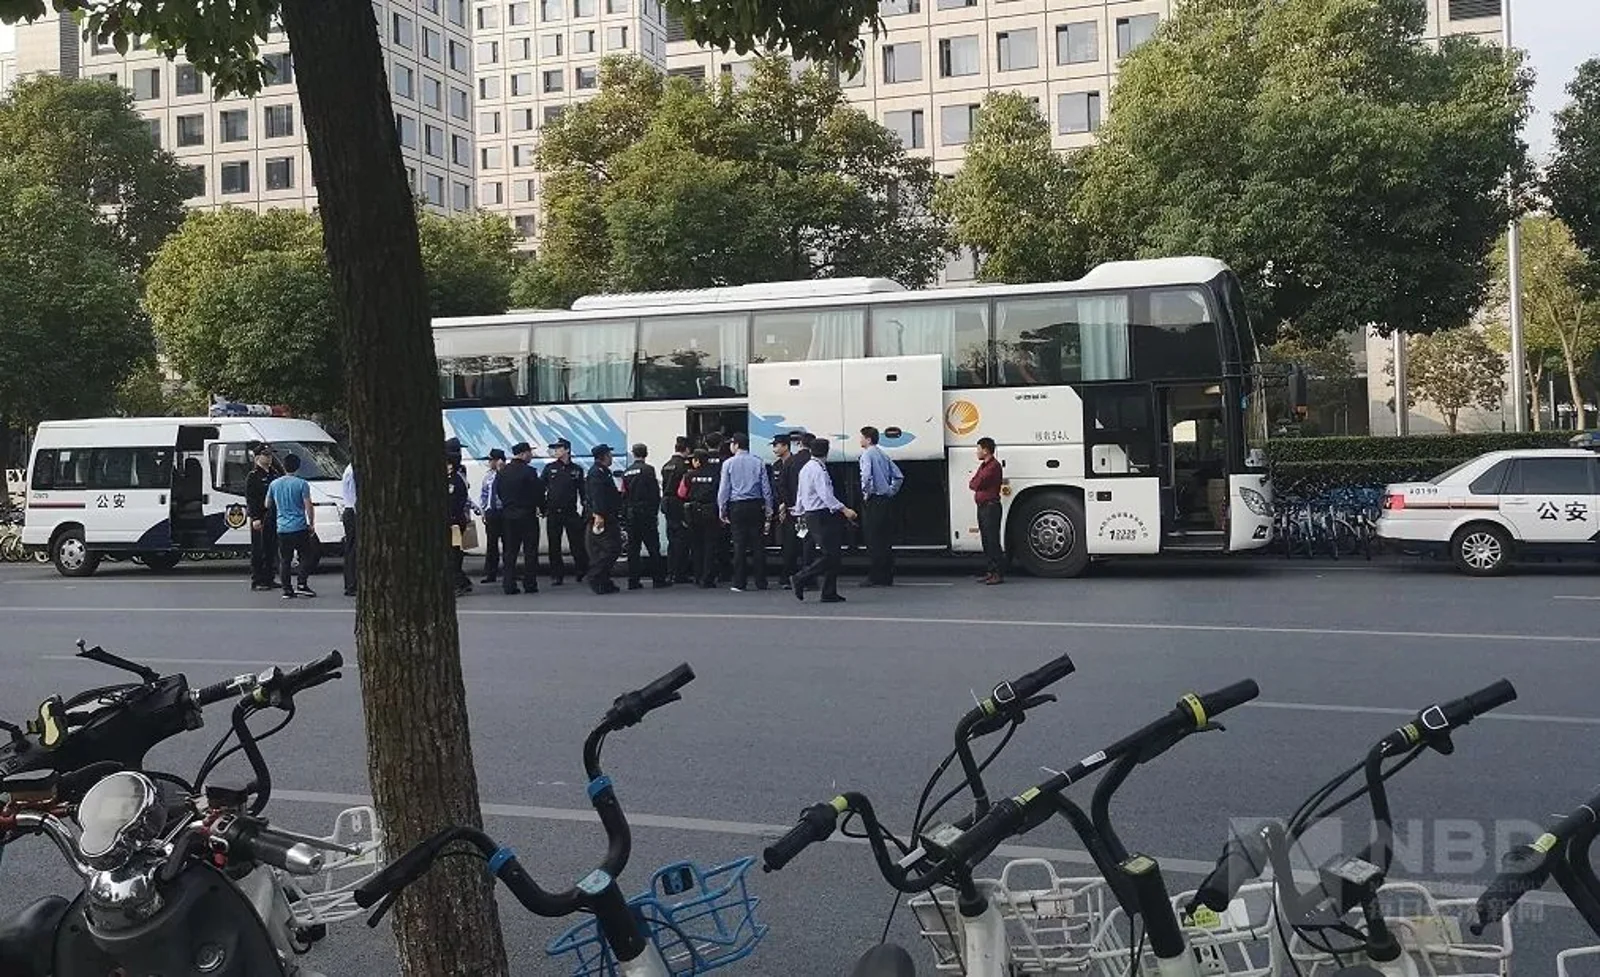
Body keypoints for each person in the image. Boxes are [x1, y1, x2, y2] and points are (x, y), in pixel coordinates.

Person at [790, 439, 855, 603]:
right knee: (831, 555)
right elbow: (825, 494)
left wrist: (799, 510)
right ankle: (801, 577)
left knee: (832, 554)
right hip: (822, 514)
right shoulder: (818, 470)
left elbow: (800, 492)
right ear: (827, 451)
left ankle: (829, 591)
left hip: (811, 513)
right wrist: (844, 509)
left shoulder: (806, 468)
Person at [717, 433, 774, 592]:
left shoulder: (728, 464)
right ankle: (761, 582)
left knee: (739, 545)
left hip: (737, 506)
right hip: (755, 505)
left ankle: (739, 582)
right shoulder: (758, 462)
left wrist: (722, 509)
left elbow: (724, 489)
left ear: (736, 445)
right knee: (758, 545)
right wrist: (769, 507)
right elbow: (766, 488)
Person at [857, 425, 904, 588]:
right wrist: (890, 491)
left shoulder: (866, 455)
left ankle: (875, 576)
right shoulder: (883, 454)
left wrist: (866, 493)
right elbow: (898, 476)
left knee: (873, 540)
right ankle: (887, 575)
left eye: (862, 437)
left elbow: (866, 476)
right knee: (885, 539)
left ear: (868, 439)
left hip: (874, 501)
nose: (860, 440)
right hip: (885, 500)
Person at [494, 442, 543, 595]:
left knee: (509, 551)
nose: (531, 456)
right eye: (530, 453)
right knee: (530, 551)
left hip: (508, 516)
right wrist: (542, 508)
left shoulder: (503, 472)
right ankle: (530, 583)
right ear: (523, 454)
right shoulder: (529, 472)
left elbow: (498, 491)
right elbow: (538, 493)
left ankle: (509, 584)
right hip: (527, 515)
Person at [266, 453, 316, 600]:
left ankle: (287, 589)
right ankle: (301, 583)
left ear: (284, 466)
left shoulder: (274, 484)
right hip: (299, 526)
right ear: (298, 467)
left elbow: (267, 504)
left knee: (285, 560)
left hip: (282, 527)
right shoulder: (302, 484)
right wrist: (311, 523)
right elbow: (308, 505)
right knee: (306, 555)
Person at [542, 438, 589, 585]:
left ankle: (582, 571)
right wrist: (543, 507)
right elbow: (541, 488)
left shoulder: (576, 469)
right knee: (554, 545)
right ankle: (557, 575)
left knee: (577, 544)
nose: (556, 451)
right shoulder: (549, 468)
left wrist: (586, 508)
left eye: (559, 448)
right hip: (553, 512)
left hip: (570, 512)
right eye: (555, 448)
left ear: (567, 450)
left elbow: (582, 491)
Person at [621, 443, 667, 590]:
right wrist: (654, 511)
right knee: (653, 547)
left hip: (631, 514)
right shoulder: (648, 470)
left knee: (633, 549)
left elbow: (624, 494)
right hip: (646, 513)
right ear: (646, 454)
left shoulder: (626, 472)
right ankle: (658, 579)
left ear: (633, 454)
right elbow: (654, 492)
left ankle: (633, 581)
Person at [585, 444, 623, 595]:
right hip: (602, 517)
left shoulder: (603, 471)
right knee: (609, 549)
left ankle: (604, 581)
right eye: (609, 455)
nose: (611, 457)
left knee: (611, 548)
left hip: (608, 516)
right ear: (604, 456)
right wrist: (599, 515)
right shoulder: (597, 473)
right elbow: (597, 495)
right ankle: (596, 577)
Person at [681, 449, 720, 589]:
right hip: (710, 511)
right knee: (710, 545)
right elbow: (720, 492)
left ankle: (698, 576)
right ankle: (708, 578)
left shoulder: (688, 475)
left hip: (693, 512)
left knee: (696, 545)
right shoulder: (715, 474)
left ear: (697, 461)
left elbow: (681, 493)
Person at [769, 434, 803, 588]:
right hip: (781, 509)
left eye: (776, 446)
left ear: (785, 446)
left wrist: (789, 504)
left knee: (797, 542)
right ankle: (787, 576)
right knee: (786, 543)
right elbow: (774, 488)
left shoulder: (795, 463)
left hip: (795, 508)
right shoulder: (776, 465)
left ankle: (795, 575)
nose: (774, 449)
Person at [971, 437, 1005, 585]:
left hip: (991, 507)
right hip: (983, 507)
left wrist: (976, 483)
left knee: (992, 540)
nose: (977, 452)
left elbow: (977, 483)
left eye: (978, 449)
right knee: (986, 540)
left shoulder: (993, 466)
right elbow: (973, 482)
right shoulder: (984, 466)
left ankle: (997, 573)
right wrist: (975, 483)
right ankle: (990, 571)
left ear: (985, 450)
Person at [245, 444, 279, 592]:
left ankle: (269, 577)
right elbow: (251, 498)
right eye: (266, 455)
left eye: (270, 455)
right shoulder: (253, 476)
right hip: (260, 516)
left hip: (273, 515)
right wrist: (255, 517)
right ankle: (257, 580)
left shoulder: (274, 473)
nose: (269, 458)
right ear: (258, 457)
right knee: (259, 549)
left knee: (271, 548)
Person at [659, 437, 692, 585]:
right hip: (678, 503)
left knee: (672, 539)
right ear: (687, 449)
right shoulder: (684, 466)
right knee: (682, 539)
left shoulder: (666, 465)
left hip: (667, 502)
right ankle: (680, 573)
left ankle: (671, 571)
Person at [478, 448, 507, 584]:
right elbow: (484, 494)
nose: (489, 463)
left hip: (504, 512)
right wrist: (484, 510)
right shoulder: (488, 476)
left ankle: (509, 572)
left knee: (508, 544)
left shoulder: (507, 474)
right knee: (492, 544)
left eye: (491, 460)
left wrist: (501, 471)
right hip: (492, 513)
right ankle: (491, 573)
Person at [448, 457, 473, 596]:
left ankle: (459, 582)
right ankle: (462, 580)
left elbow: (456, 501)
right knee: (453, 552)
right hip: (454, 522)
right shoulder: (453, 478)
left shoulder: (456, 479)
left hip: (455, 523)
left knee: (455, 553)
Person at [340, 459, 358, 598]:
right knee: (353, 549)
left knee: (351, 548)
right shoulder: (353, 471)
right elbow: (354, 494)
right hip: (353, 511)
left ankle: (351, 583)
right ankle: (351, 584)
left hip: (350, 510)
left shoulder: (349, 469)